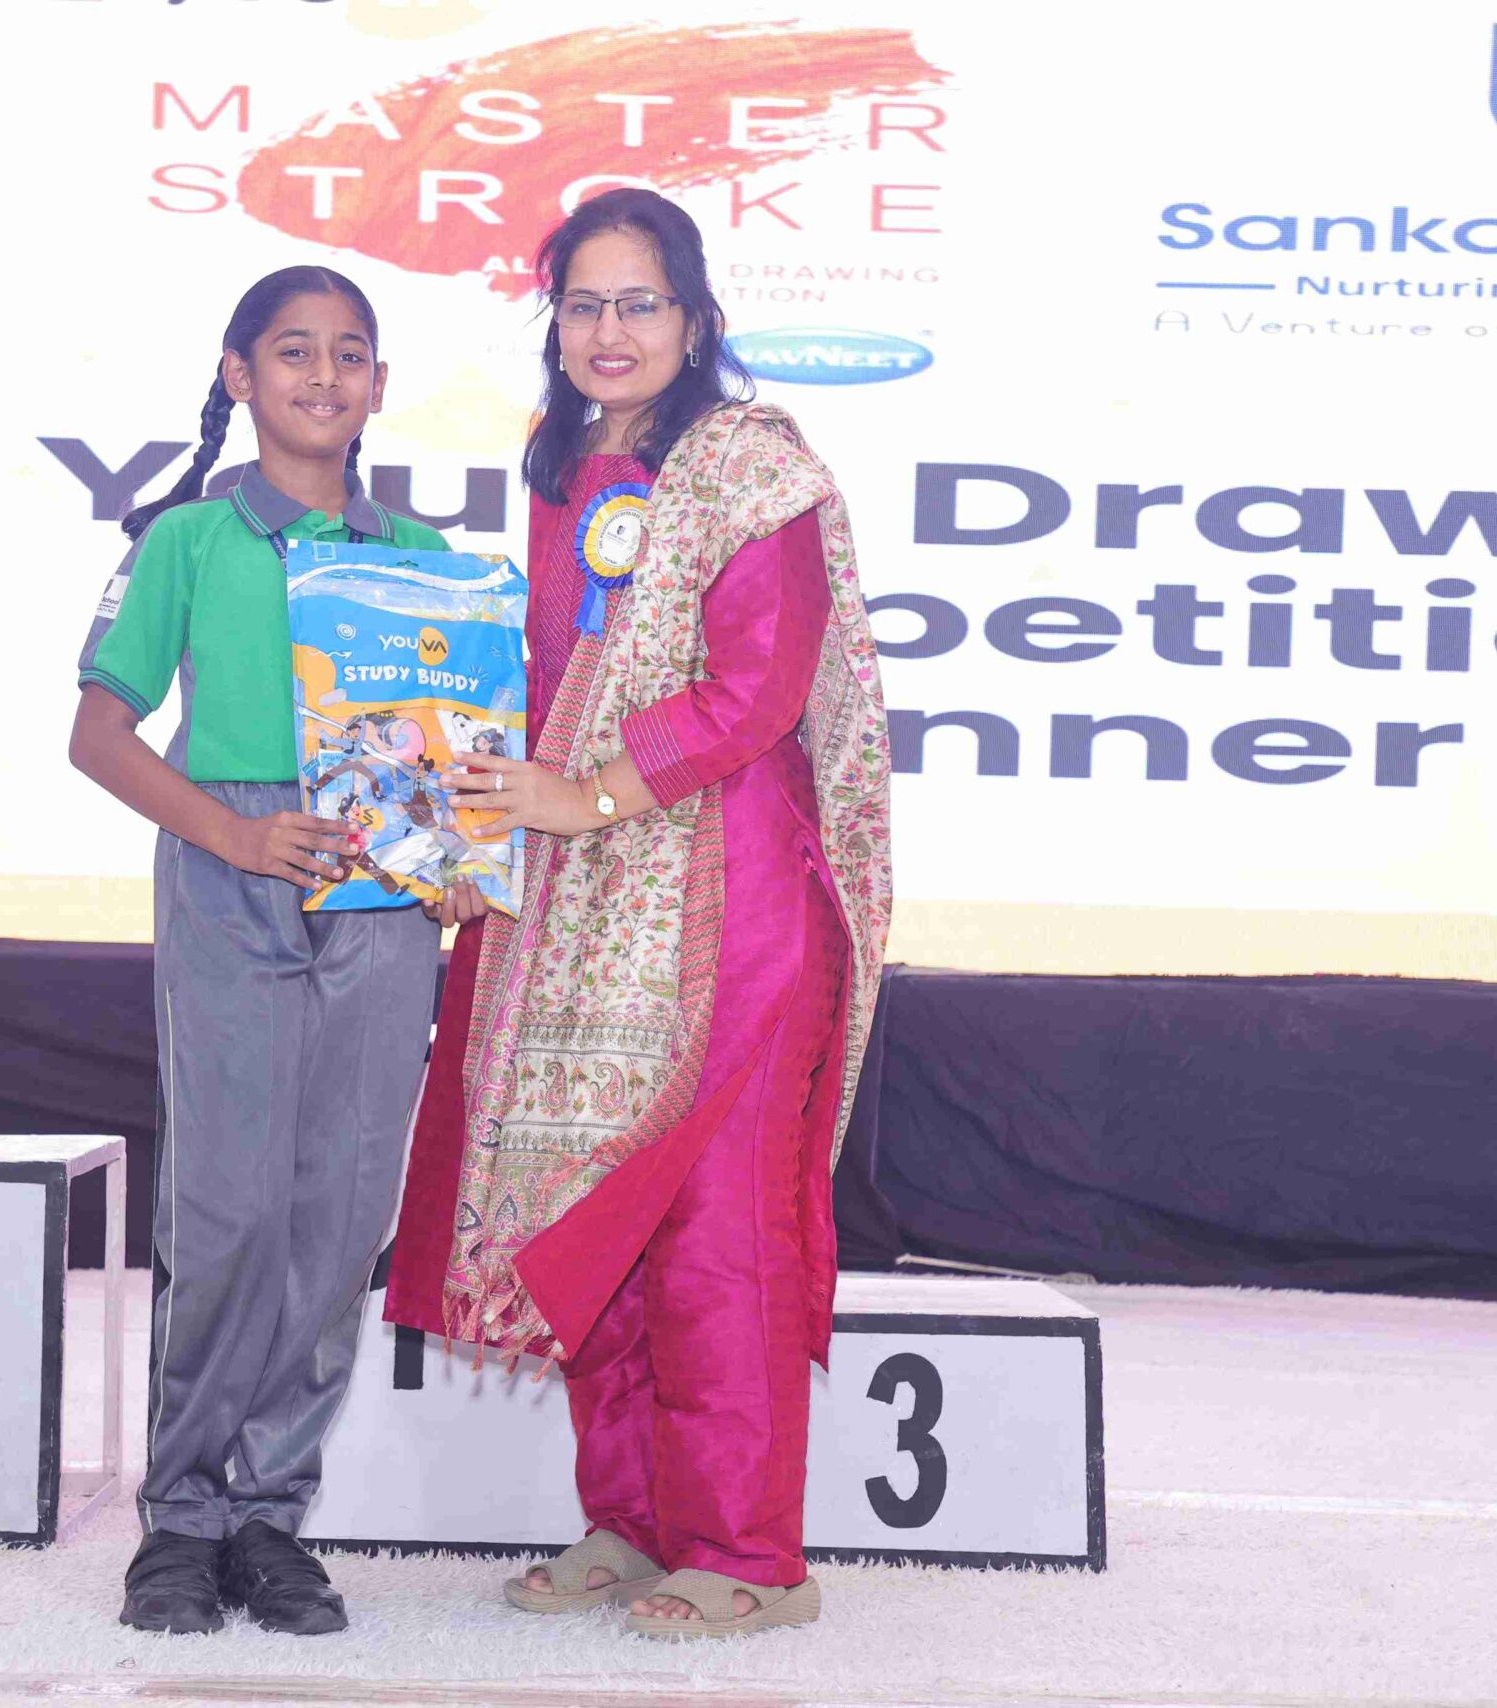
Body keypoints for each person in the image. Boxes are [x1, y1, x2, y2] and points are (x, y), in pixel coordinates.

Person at [383, 188, 895, 1638]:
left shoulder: (753, 469)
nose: (610, 332)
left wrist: (586, 794)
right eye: (585, 305)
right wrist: (473, 806)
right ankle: (631, 1518)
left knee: (718, 1227)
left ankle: (746, 1553)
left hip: (733, 899)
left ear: (696, 317)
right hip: (574, 899)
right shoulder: (564, 474)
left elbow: (757, 689)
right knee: (586, 1214)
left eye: (640, 303)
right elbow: (545, 679)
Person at [68, 265, 474, 1636]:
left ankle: (267, 1516)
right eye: (293, 351)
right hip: (228, 872)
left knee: (339, 1214)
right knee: (228, 1212)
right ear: (239, 375)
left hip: (380, 890)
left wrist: (453, 859)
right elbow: (98, 736)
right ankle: (182, 1518)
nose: (323, 374)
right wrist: (235, 837)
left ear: (379, 383)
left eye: (350, 353)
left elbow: (450, 749)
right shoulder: (185, 538)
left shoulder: (423, 555)